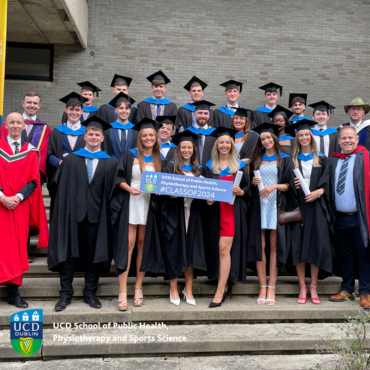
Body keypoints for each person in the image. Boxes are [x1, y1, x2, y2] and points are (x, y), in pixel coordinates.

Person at [48, 116, 116, 312]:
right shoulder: (70, 160)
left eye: (97, 135)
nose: (93, 137)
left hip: (97, 217)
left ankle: (90, 293)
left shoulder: (110, 163)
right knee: (68, 255)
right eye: (90, 134)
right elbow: (59, 189)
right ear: (84, 136)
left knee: (93, 256)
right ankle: (65, 295)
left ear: (102, 138)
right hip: (73, 215)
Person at [110, 118, 164, 311]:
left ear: (156, 137)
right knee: (128, 244)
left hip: (149, 205)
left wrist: (161, 190)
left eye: (151, 135)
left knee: (143, 243)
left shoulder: (159, 158)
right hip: (131, 202)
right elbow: (118, 177)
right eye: (145, 135)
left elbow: (163, 182)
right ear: (140, 138)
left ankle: (138, 286)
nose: (148, 138)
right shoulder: (129, 155)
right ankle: (123, 289)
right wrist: (129, 189)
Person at [0, 113, 48, 308]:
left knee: (17, 247)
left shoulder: (30, 151)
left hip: (19, 207)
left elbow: (34, 181)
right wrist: (2, 197)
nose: (15, 126)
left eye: (19, 122)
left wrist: (17, 198)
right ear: (5, 125)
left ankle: (13, 292)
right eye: (11, 122)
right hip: (1, 204)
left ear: (24, 125)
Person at [201, 127, 251, 308]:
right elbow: (205, 195)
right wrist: (207, 201)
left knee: (224, 249)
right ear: (216, 145)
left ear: (231, 145)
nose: (224, 145)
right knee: (220, 250)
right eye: (221, 142)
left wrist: (241, 192)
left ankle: (220, 290)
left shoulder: (241, 167)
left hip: (231, 212)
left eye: (227, 142)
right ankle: (226, 283)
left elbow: (248, 192)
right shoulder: (208, 167)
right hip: (215, 213)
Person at [249, 122, 295, 306]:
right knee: (260, 246)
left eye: (269, 137)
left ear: (275, 139)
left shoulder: (285, 159)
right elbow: (249, 186)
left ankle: (272, 287)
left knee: (274, 246)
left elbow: (290, 186)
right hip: (259, 206)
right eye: (263, 139)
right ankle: (262, 285)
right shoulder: (255, 160)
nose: (266, 140)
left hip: (276, 205)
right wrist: (253, 183)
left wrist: (275, 185)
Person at [288, 119, 333, 305]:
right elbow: (286, 184)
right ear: (297, 138)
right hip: (299, 208)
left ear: (311, 137)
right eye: (301, 135)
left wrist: (318, 192)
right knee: (298, 244)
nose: (304, 137)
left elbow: (327, 183)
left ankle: (313, 286)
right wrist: (293, 184)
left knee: (316, 244)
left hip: (317, 207)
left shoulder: (322, 159)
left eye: (307, 134)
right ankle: (302, 286)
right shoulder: (292, 160)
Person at [161, 130, 207, 306]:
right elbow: (164, 194)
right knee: (174, 250)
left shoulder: (200, 170)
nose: (186, 150)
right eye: (183, 147)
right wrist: (180, 192)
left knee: (191, 251)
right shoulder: (170, 167)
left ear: (194, 150)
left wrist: (209, 199)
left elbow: (207, 195)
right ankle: (173, 288)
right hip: (175, 216)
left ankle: (188, 289)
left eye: (189, 147)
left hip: (193, 216)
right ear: (178, 149)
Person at [328, 126, 370, 308]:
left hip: (360, 217)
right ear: (339, 141)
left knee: (364, 254)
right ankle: (347, 289)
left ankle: (365, 292)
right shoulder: (334, 161)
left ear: (356, 139)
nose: (347, 141)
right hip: (340, 217)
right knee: (345, 255)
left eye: (350, 138)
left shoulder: (366, 157)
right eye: (344, 138)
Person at [47, 92, 88, 215]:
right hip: (61, 176)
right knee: (61, 207)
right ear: (66, 110)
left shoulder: (88, 132)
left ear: (81, 111)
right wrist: (59, 162)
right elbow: (49, 154)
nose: (74, 112)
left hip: (82, 176)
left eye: (77, 110)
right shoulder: (57, 132)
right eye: (71, 109)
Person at [0, 91, 51, 184]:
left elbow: (43, 154)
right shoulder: (7, 125)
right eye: (29, 102)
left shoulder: (45, 128)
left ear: (39, 105)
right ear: (23, 103)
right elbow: (3, 149)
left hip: (32, 175)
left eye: (35, 103)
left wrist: (36, 174)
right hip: (9, 174)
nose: (32, 105)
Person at [103, 92, 137, 162]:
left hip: (130, 167)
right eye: (121, 108)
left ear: (130, 111)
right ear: (116, 110)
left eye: (127, 108)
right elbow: (105, 151)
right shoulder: (108, 130)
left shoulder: (135, 130)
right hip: (112, 167)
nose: (124, 111)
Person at [186, 100, 217, 166]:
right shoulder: (187, 132)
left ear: (209, 116)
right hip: (191, 171)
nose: (203, 116)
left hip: (211, 170)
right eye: (200, 113)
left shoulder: (215, 133)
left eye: (206, 113)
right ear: (194, 115)